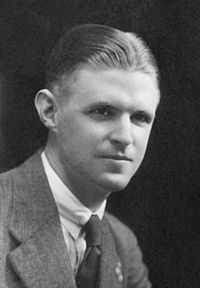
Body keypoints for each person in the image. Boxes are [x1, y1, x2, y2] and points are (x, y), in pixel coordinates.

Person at [0, 24, 160, 288]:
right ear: (50, 111)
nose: (125, 136)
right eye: (103, 111)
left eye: (140, 118)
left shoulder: (122, 244)